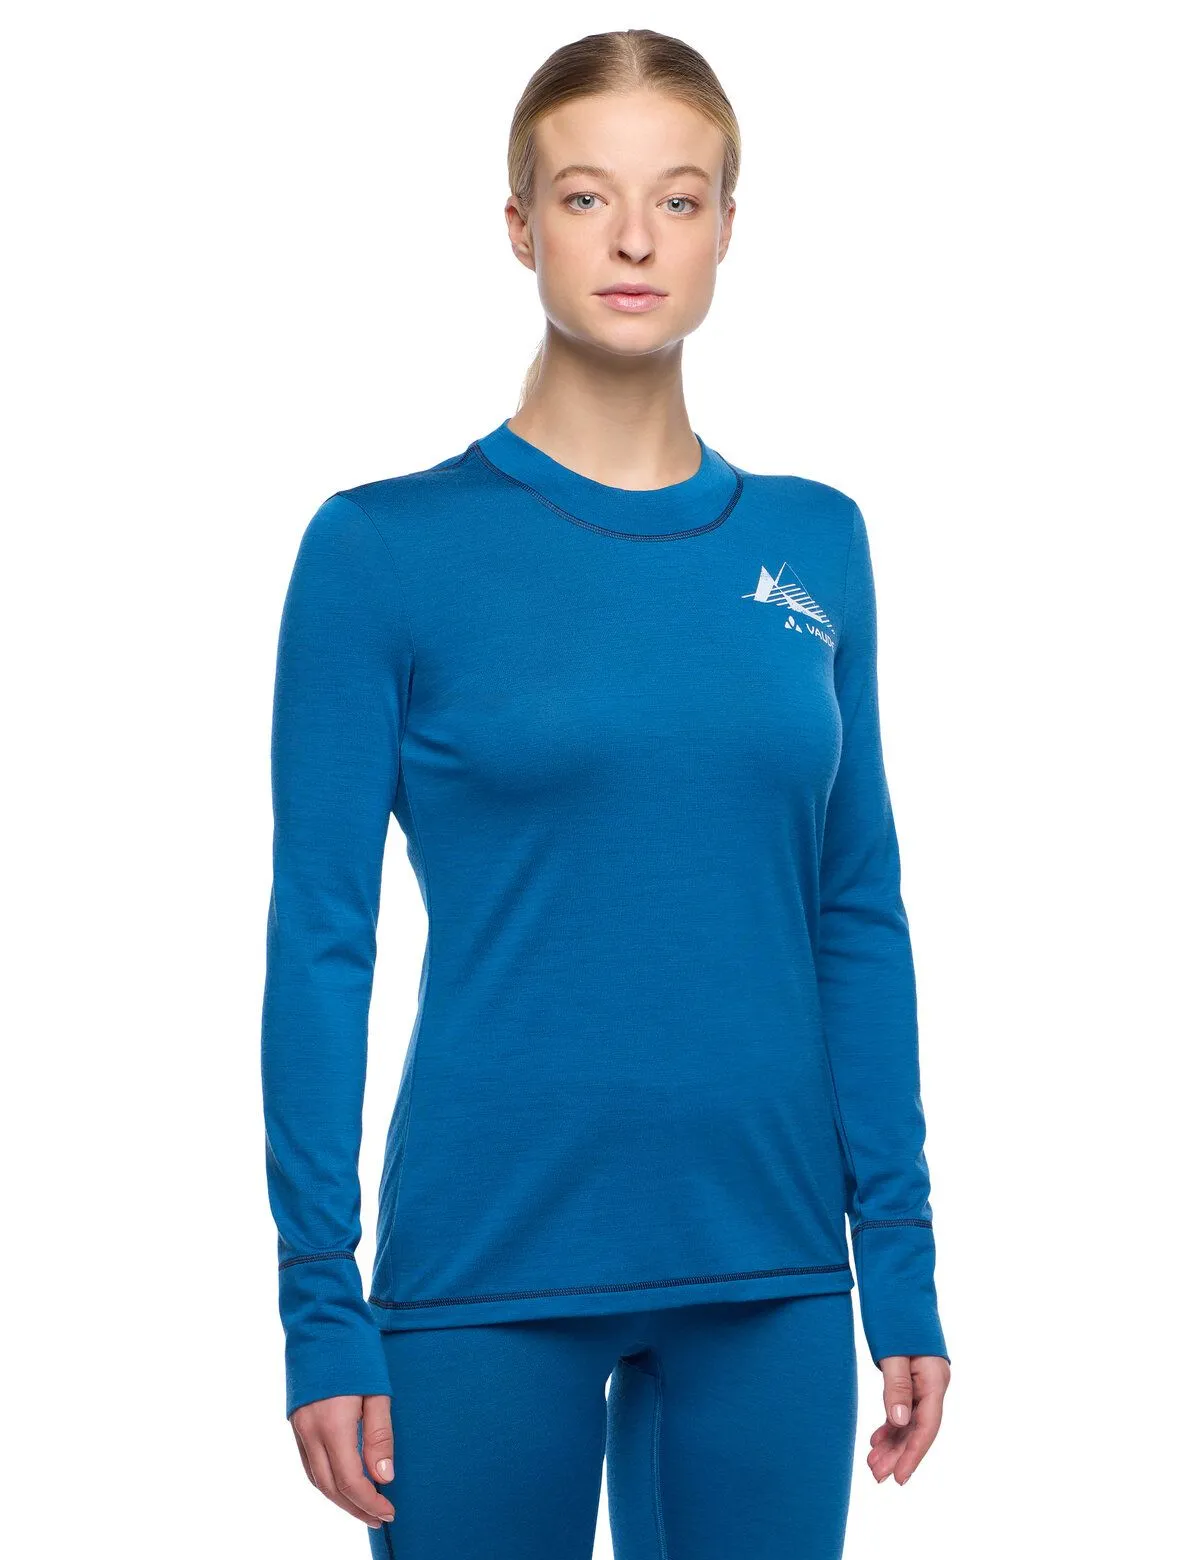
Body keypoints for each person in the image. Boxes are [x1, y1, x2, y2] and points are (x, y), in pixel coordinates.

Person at [261, 27, 951, 1559]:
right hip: (486, 1259)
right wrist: (319, 1298)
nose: (635, 238)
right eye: (586, 197)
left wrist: (897, 1262)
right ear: (520, 225)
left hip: (773, 1263)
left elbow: (856, 912)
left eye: (678, 198)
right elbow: (320, 936)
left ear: (725, 227)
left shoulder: (817, 542)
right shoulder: (380, 551)